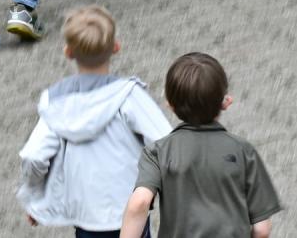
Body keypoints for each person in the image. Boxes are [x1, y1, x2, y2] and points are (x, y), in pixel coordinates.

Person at [17, 5, 172, 237]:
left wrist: (35, 197)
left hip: (85, 215)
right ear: (116, 47)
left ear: (68, 52)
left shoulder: (58, 103)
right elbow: (166, 142)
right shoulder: (128, 95)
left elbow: (34, 156)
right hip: (131, 212)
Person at [120, 53, 283, 238]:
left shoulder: (158, 152)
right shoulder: (244, 151)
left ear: (170, 105)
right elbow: (262, 229)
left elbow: (139, 203)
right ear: (225, 102)